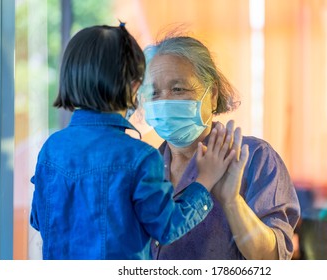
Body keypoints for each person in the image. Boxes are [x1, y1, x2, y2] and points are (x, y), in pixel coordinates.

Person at [29, 24, 248, 260]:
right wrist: (204, 181)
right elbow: (166, 228)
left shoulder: (51, 149)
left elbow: (38, 219)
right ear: (134, 86)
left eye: (177, 89)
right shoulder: (140, 158)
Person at [139, 34, 301, 260]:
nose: (164, 101)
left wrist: (232, 202)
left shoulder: (253, 158)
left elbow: (273, 259)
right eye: (154, 93)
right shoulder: (145, 166)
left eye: (178, 89)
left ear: (212, 94)